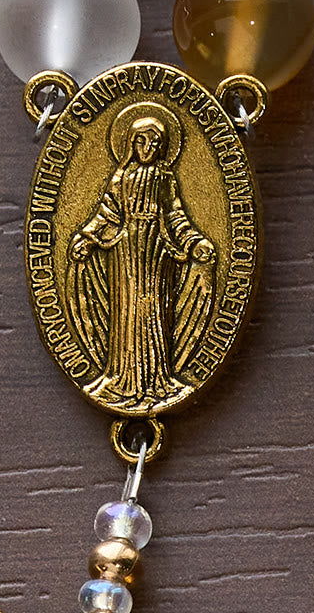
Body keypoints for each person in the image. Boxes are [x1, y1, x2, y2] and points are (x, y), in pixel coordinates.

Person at [68, 115, 215, 413]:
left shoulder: (165, 179)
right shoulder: (121, 178)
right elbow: (107, 213)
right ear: (130, 144)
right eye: (141, 141)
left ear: (162, 147)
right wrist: (87, 237)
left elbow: (176, 216)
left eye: (154, 143)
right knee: (128, 312)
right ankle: (124, 379)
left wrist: (195, 242)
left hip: (158, 252)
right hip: (125, 252)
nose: (148, 148)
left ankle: (156, 381)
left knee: (154, 312)